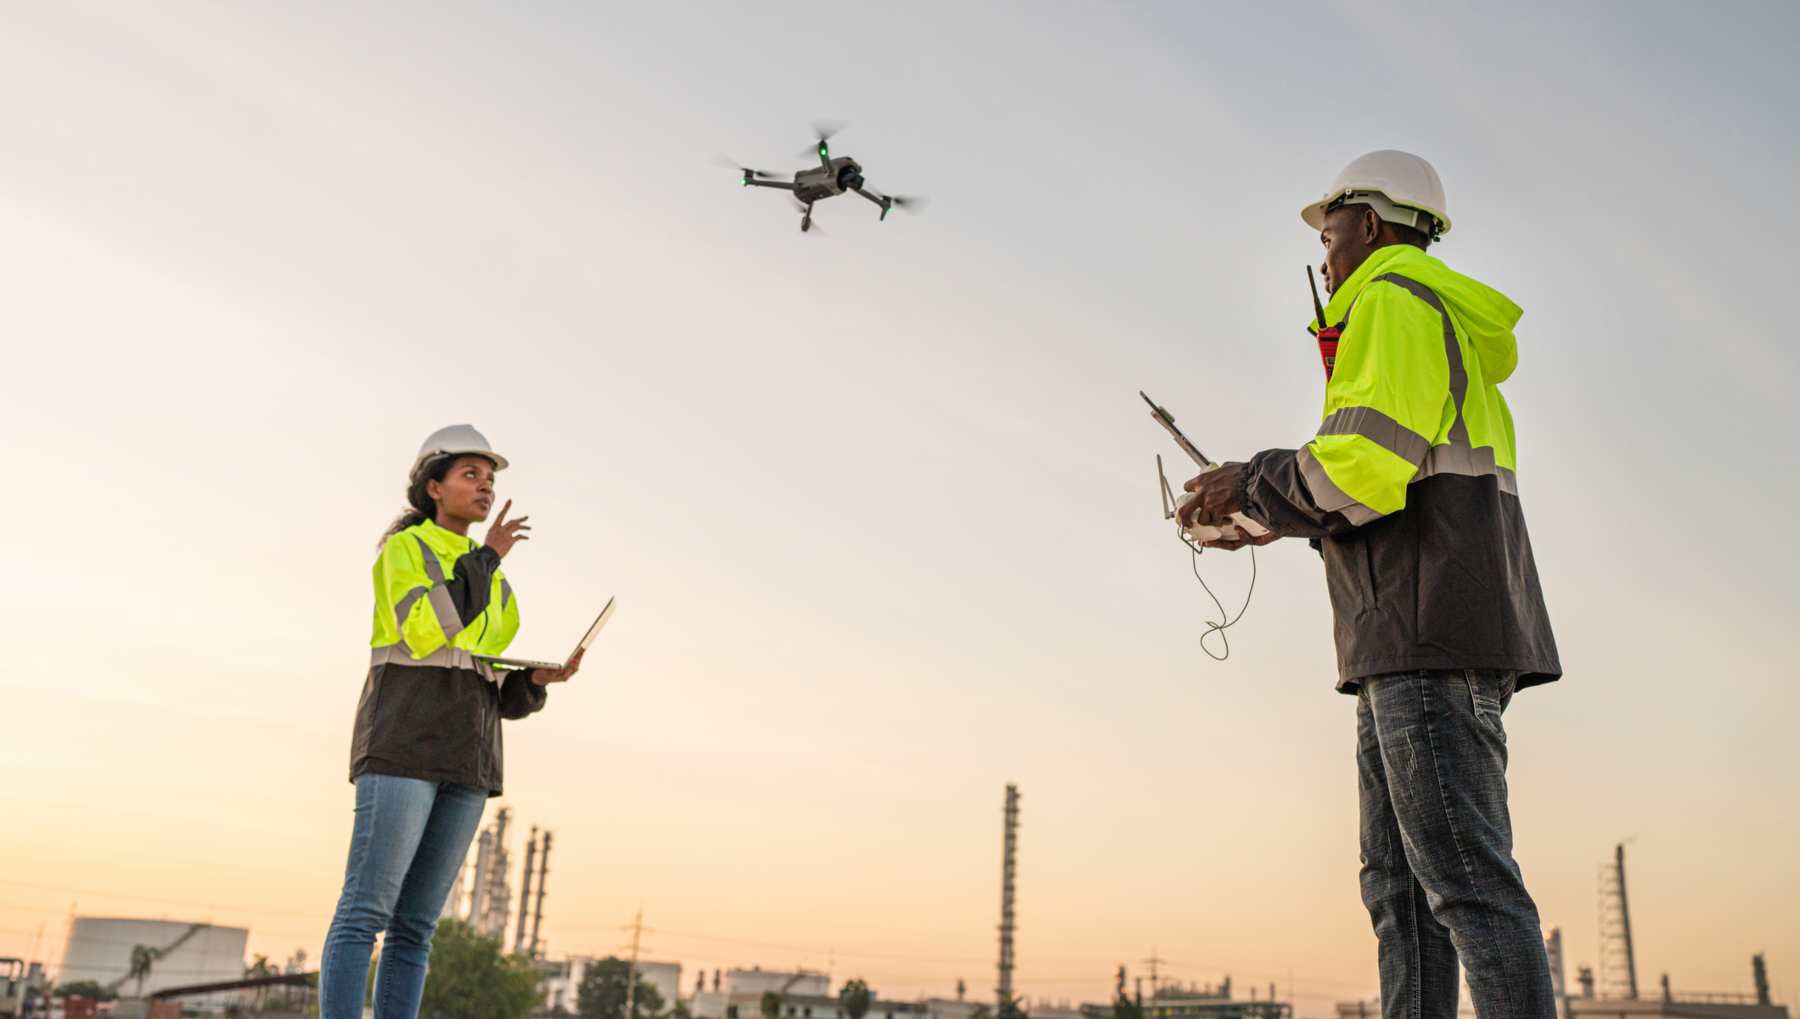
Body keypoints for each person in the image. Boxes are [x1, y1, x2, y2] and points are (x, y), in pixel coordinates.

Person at [1180, 151, 1561, 1018]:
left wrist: (1253, 482)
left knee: (1463, 883)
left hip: (1428, 634)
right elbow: (1384, 488)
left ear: (1372, 224)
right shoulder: (1428, 319)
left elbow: (1364, 466)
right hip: (1408, 629)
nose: (1322, 250)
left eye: (1329, 229)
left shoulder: (1391, 300)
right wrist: (1269, 515)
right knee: (1402, 891)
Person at [319, 424, 583, 1019]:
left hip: (469, 761)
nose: (485, 487)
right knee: (366, 912)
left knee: (417, 927)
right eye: (471, 474)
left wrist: (534, 683)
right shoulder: (405, 552)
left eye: (490, 479)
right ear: (432, 487)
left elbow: (485, 681)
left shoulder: (495, 578)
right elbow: (429, 628)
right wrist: (488, 555)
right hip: (403, 749)